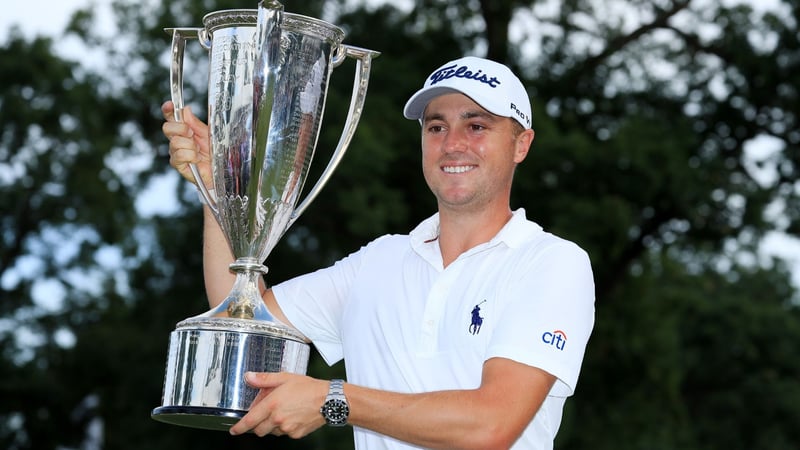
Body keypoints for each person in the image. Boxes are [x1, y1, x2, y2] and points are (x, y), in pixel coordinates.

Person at [162, 56, 595, 450]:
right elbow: (240, 322)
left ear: (521, 144)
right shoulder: (378, 261)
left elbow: (490, 425)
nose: (453, 143)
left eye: (476, 125)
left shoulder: (551, 262)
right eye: (436, 127)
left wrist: (333, 398)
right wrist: (216, 193)